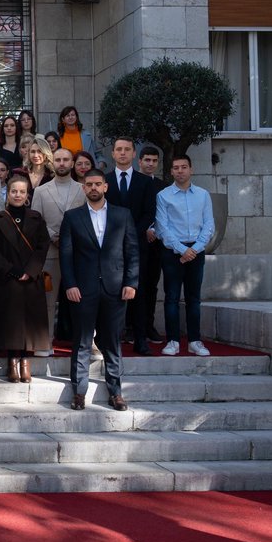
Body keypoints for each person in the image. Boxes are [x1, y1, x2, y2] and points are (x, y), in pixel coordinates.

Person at [61, 168, 140, 410]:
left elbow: (132, 251)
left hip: (115, 288)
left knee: (113, 341)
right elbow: (66, 254)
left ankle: (116, 392)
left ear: (105, 187)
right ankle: (79, 392)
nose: (93, 188)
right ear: (83, 188)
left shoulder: (122, 215)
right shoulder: (72, 217)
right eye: (89, 184)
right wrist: (71, 284)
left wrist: (131, 282)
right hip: (83, 289)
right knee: (83, 342)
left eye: (98, 184)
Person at [0, 177, 50, 383]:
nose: (18, 195)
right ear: (8, 193)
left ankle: (25, 362)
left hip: (31, 278)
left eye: (22, 192)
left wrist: (29, 271)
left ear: (27, 195)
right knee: (11, 322)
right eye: (14, 191)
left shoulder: (36, 218)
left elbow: (43, 246)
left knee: (30, 323)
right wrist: (12, 270)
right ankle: (13, 361)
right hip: (7, 278)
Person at [155, 154, 215, 357]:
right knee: (171, 297)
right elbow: (162, 227)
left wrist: (195, 249)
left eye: (184, 167)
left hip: (196, 251)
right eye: (176, 168)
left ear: (191, 169)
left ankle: (194, 341)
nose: (180, 171)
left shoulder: (203, 195)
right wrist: (182, 250)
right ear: (171, 171)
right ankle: (172, 341)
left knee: (193, 298)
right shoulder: (163, 195)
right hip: (173, 251)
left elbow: (209, 225)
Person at [105, 137, 158, 355]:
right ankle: (113, 339)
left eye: (127, 150)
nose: (123, 153)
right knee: (111, 293)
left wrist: (132, 236)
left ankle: (140, 338)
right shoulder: (104, 180)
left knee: (140, 292)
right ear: (113, 154)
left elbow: (149, 213)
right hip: (110, 248)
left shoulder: (145, 182)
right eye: (119, 150)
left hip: (137, 247)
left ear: (134, 154)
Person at [31, 148, 87, 347]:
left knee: (82, 298)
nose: (62, 163)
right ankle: (46, 339)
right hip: (50, 252)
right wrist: (52, 237)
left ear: (72, 163)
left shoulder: (83, 189)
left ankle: (87, 340)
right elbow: (35, 222)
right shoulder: (40, 191)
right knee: (47, 299)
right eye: (58, 160)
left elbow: (88, 220)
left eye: (66, 160)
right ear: (52, 163)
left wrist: (69, 238)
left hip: (78, 254)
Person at [138, 145, 168, 344]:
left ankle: (149, 325)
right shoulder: (133, 182)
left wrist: (155, 231)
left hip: (157, 243)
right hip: (136, 241)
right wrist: (144, 230)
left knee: (151, 285)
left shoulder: (163, 187)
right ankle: (132, 326)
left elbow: (166, 213)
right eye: (147, 160)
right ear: (139, 161)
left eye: (154, 161)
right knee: (134, 286)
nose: (150, 164)